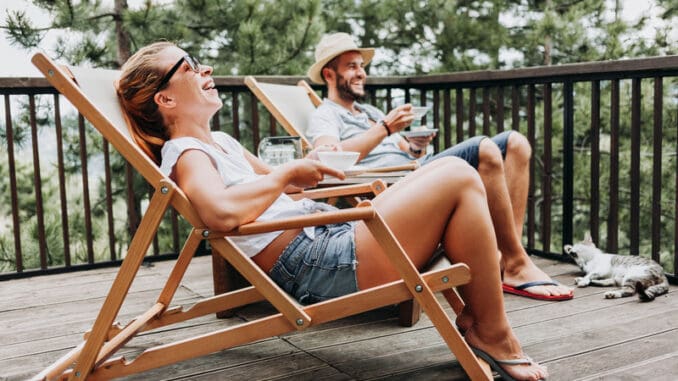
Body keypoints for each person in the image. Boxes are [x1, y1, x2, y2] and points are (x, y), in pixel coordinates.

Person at [116, 41, 548, 381]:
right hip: (315, 264)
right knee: (455, 173)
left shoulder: (222, 142)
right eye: (189, 67)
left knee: (452, 172)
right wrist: (286, 176)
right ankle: (492, 333)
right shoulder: (186, 152)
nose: (205, 69)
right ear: (165, 100)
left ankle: (481, 320)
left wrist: (304, 181)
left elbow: (289, 191)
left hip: (324, 239)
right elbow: (218, 213)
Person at [305, 32, 572, 301]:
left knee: (516, 143)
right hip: (397, 189)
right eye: (351, 66)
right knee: (485, 149)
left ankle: (508, 259)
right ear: (329, 75)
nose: (361, 73)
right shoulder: (325, 115)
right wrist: (384, 128)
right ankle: (516, 265)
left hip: (415, 170)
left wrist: (416, 144)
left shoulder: (370, 113)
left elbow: (406, 151)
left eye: (362, 66)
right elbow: (329, 156)